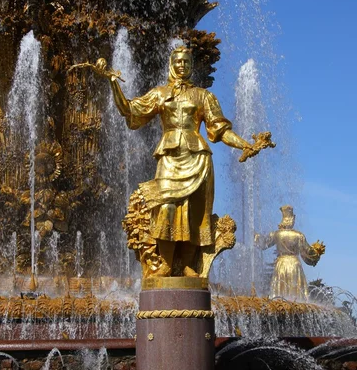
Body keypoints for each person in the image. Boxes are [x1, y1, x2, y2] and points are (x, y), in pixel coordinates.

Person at [97, 45, 272, 277]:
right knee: (165, 207)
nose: (182, 66)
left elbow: (219, 129)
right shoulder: (159, 93)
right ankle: (166, 263)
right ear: (172, 64)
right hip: (169, 157)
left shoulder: (203, 96)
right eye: (178, 61)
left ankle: (189, 264)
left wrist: (244, 144)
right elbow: (130, 109)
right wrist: (112, 82)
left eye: (187, 62)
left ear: (191, 66)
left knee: (194, 212)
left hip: (197, 157)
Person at [255, 205, 325, 301]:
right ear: (292, 219)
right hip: (295, 265)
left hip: (281, 264)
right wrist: (317, 253)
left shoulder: (277, 234)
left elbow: (263, 244)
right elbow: (307, 253)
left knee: (279, 294)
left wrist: (254, 235)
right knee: (297, 296)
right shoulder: (299, 236)